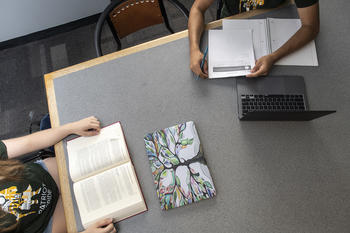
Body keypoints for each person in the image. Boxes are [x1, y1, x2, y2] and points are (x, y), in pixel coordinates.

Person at [0, 116, 117, 233]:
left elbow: (28, 143)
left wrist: (70, 128)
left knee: (100, 159)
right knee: (107, 207)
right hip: (48, 222)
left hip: (44, 174)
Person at [188, 0, 320, 78]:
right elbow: (197, 8)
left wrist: (274, 56)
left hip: (280, 16)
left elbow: (310, 26)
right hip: (234, 21)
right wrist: (194, 48)